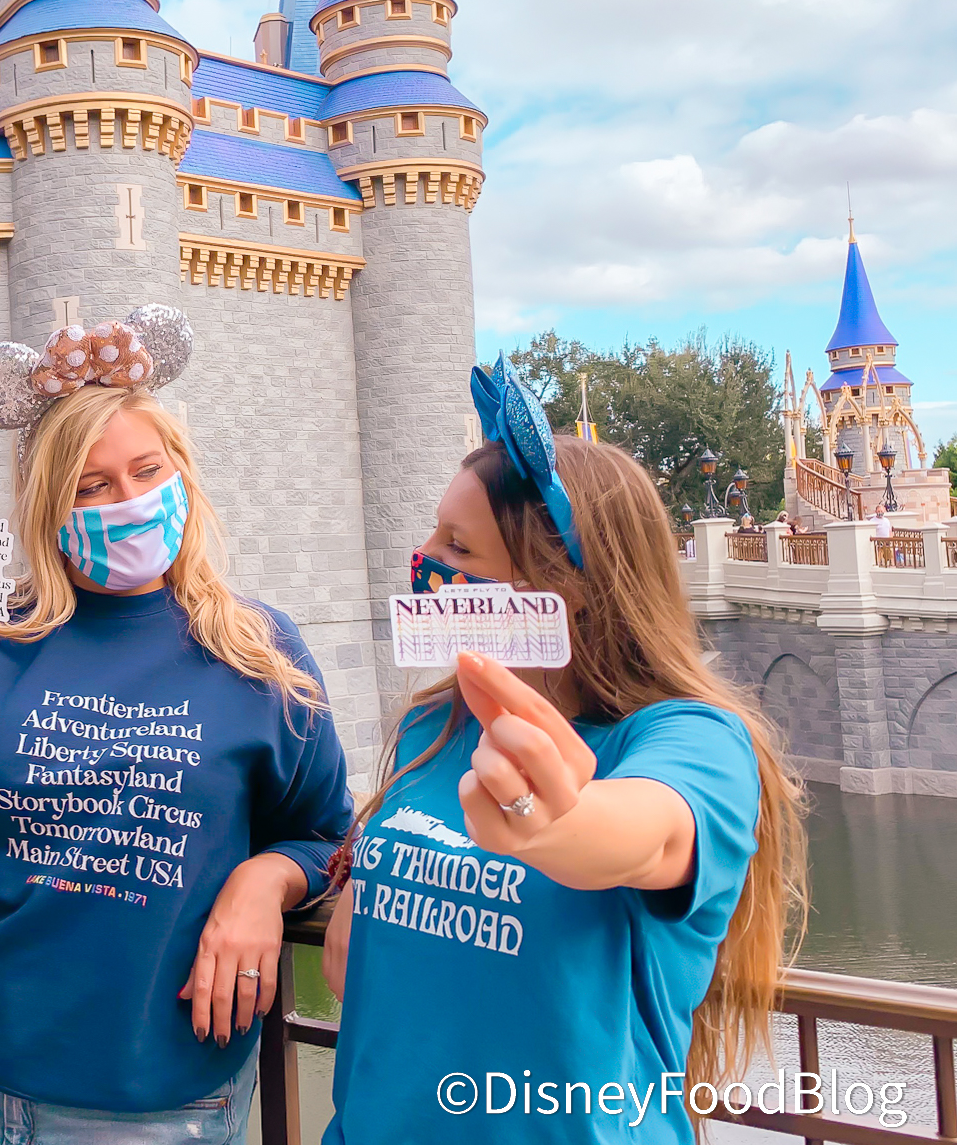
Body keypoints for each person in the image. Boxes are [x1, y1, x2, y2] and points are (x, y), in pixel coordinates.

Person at [0, 313, 353, 1143]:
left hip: (158, 1100)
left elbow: (324, 835)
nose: (129, 501)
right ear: (47, 506)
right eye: (90, 486)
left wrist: (266, 882)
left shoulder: (260, 649)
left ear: (183, 476)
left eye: (147, 471)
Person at [321, 358, 806, 1145]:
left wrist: (560, 822)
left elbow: (645, 834)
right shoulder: (433, 724)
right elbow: (360, 962)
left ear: (559, 587)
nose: (425, 559)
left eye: (457, 546)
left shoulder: (693, 739)